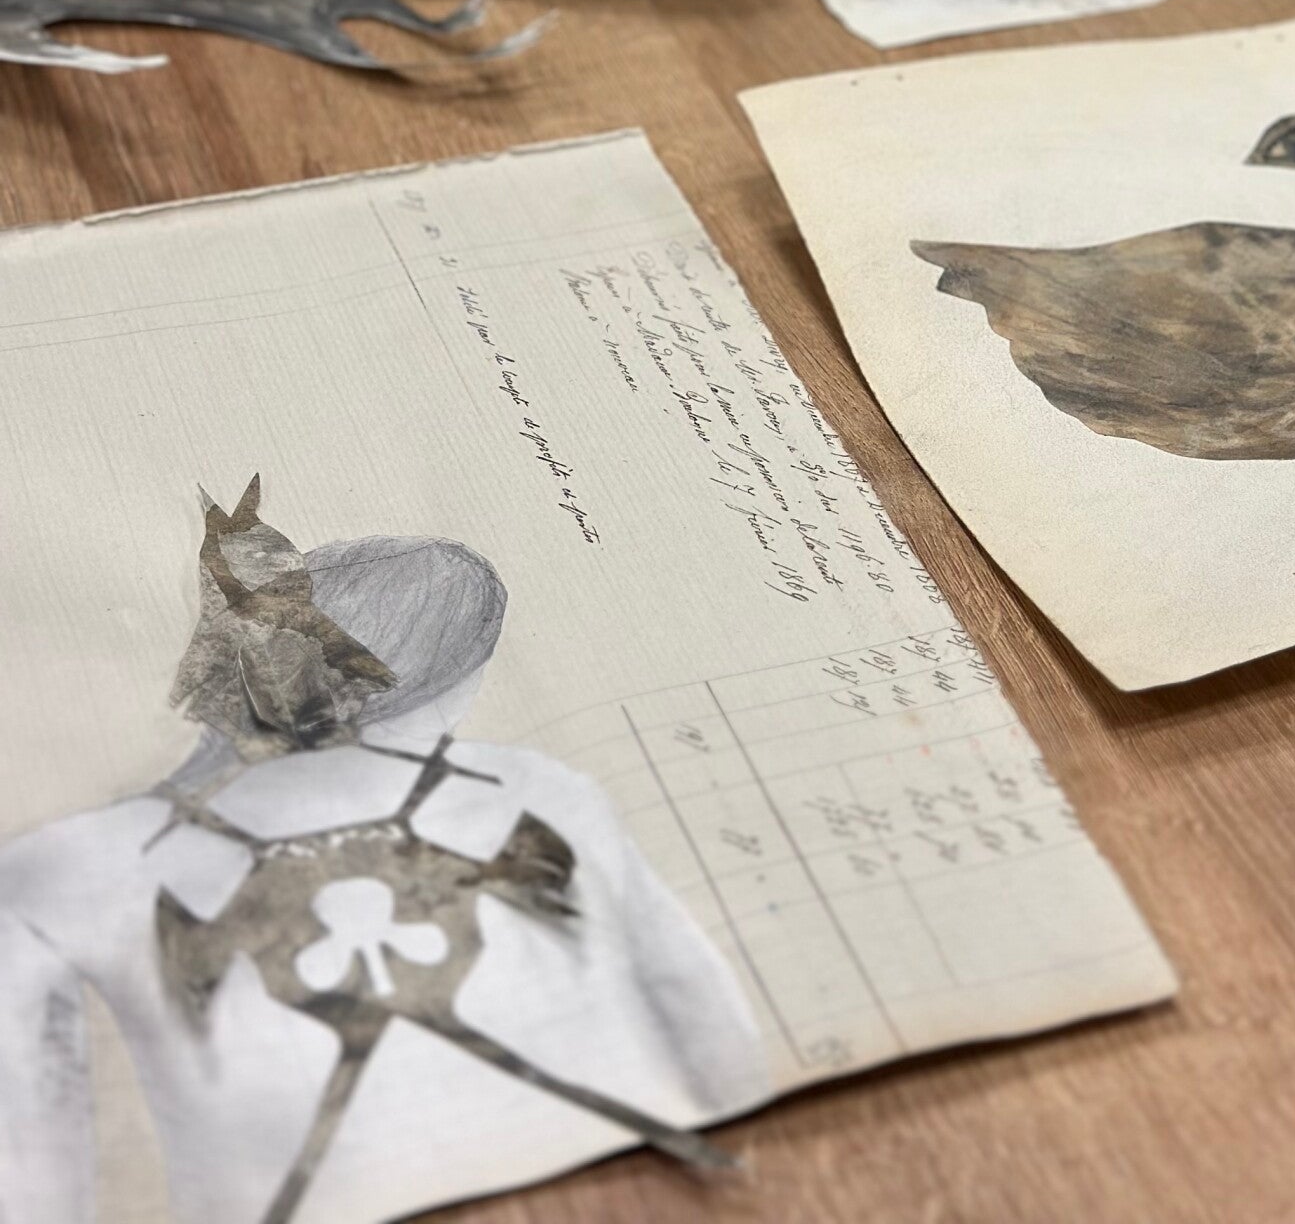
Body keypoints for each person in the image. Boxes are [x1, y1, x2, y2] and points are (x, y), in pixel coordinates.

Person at [0, 478, 770, 1224]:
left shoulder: (72, 863)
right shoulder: (535, 789)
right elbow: (716, 1039)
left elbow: (30, 1168)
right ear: (453, 678)